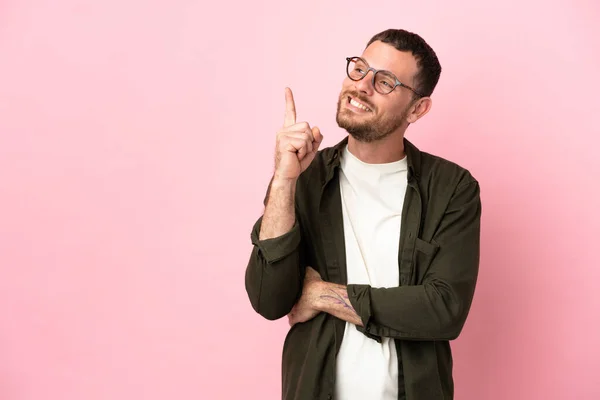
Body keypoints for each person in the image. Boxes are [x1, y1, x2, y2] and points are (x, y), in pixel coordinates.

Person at [245, 28, 481, 400]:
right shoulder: (304, 178)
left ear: (417, 108)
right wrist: (284, 181)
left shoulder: (452, 188)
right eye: (359, 68)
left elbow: (444, 309)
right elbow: (268, 300)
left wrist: (321, 295)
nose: (362, 86)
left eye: (384, 81)